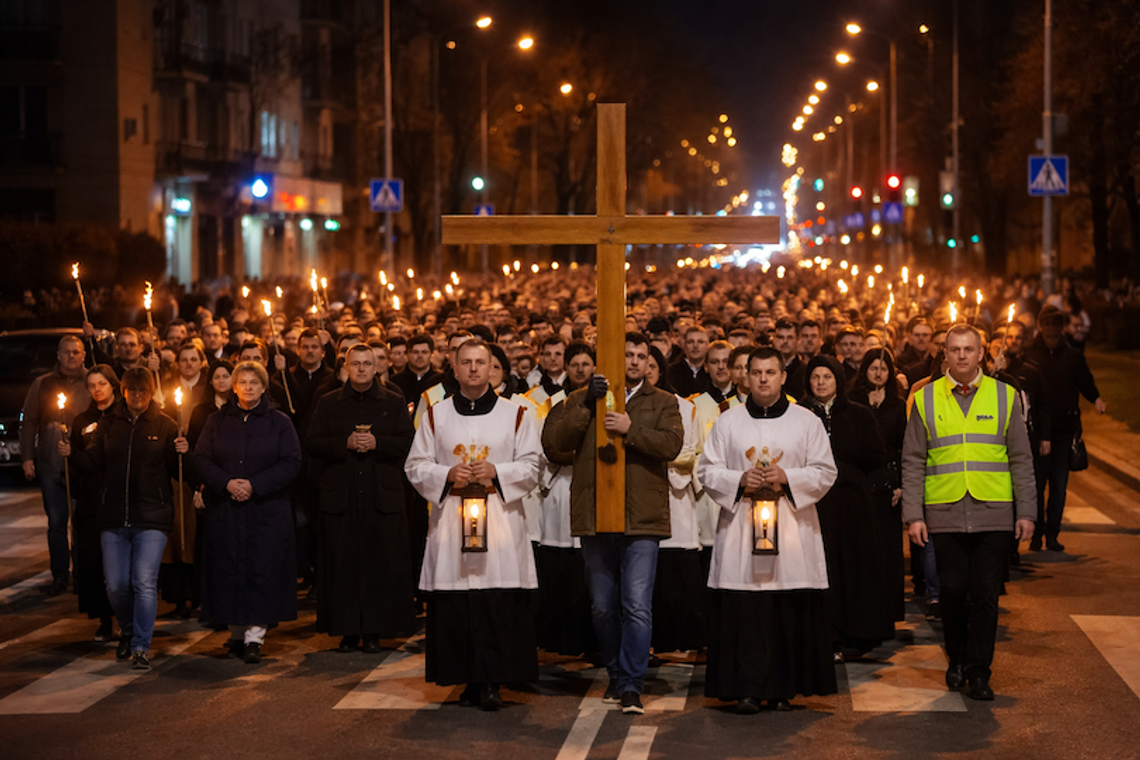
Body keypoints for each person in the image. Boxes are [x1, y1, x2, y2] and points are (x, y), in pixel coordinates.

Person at [542, 331, 684, 715]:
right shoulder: (580, 397)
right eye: (628, 355)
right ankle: (618, 673)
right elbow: (554, 443)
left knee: (636, 605)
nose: (635, 361)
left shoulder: (664, 401)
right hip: (596, 516)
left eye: (641, 355)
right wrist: (587, 403)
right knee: (603, 606)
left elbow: (672, 445)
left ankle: (631, 684)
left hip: (642, 517)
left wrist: (630, 430)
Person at [696, 346, 839, 714]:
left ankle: (782, 690)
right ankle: (745, 688)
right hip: (742, 529)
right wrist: (739, 479)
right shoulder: (728, 422)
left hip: (792, 530)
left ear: (783, 376)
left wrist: (787, 476)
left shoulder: (806, 421)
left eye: (770, 373)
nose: (762, 379)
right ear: (745, 377)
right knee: (747, 611)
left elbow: (825, 471)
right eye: (756, 372)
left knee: (785, 609)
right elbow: (707, 471)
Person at [405, 340, 543, 711]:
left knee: (495, 601)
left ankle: (493, 681)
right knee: (458, 601)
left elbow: (533, 466)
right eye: (465, 362)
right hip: (451, 521)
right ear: (454, 368)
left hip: (499, 520)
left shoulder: (516, 414)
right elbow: (415, 466)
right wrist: (445, 474)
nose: (473, 369)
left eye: (480, 362)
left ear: (492, 367)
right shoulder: (436, 415)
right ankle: (465, 679)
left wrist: (499, 471)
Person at [903, 324, 1037, 700]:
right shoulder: (926, 398)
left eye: (968, 349)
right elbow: (912, 459)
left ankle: (979, 671)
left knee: (985, 595)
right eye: (954, 349)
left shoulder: (1005, 396)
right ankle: (957, 658)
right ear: (944, 354)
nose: (961, 356)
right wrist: (914, 515)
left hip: (993, 512)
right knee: (952, 591)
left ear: (982, 355)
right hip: (944, 512)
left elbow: (1021, 459)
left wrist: (1026, 512)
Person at [60, 368, 187, 669]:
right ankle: (128, 630)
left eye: (144, 390)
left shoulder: (166, 425)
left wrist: (184, 453)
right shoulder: (107, 424)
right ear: (124, 391)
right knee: (116, 585)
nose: (138, 395)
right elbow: (92, 461)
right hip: (114, 515)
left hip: (152, 516)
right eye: (133, 390)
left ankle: (141, 645)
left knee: (143, 582)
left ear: (152, 390)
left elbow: (179, 472)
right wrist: (71, 454)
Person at [306, 345, 415, 653]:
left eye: (368, 363)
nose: (363, 369)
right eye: (357, 364)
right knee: (343, 564)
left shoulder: (393, 402)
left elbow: (408, 441)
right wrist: (346, 443)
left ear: (377, 367)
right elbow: (313, 441)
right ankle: (347, 629)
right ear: (346, 366)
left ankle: (375, 631)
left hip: (381, 496)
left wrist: (378, 443)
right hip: (342, 496)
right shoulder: (329, 403)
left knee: (379, 564)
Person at [192, 361, 302, 664]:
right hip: (226, 510)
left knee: (261, 571)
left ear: (264, 386)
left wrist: (254, 485)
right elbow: (200, 458)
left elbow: (291, 462)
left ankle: (255, 636)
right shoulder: (216, 421)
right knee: (228, 570)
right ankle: (236, 634)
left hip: (265, 510)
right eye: (243, 382)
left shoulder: (279, 422)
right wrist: (226, 483)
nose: (248, 387)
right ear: (233, 386)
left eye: (254, 382)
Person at [799, 355, 893, 659]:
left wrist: (847, 470)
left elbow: (876, 454)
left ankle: (856, 633)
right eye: (816, 377)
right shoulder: (799, 415)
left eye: (827, 377)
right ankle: (824, 634)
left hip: (851, 502)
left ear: (838, 380)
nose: (821, 382)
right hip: (813, 501)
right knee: (820, 566)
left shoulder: (859, 414)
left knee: (852, 565)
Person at [1023, 304, 1106, 551]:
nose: (1051, 329)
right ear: (1040, 326)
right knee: (1036, 485)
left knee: (1058, 485)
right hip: (1037, 432)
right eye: (1046, 324)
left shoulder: (1072, 356)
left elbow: (1085, 382)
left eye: (1055, 325)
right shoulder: (1029, 355)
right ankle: (1036, 534)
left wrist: (1097, 399)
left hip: (1062, 431)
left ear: (1061, 328)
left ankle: (1052, 534)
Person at [533, 342, 596, 657]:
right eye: (575, 364)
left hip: (593, 489)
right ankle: (561, 638)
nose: (581, 369)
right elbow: (549, 445)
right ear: (567, 368)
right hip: (560, 487)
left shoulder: (605, 401)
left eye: (587, 363)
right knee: (561, 568)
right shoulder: (553, 403)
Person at [21, 334, 92, 595]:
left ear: (84, 355)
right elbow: (29, 422)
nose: (72, 356)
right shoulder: (43, 384)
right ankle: (60, 575)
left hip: (81, 467)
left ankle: (83, 575)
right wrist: (28, 457)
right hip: (51, 465)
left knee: (82, 524)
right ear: (59, 355)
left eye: (77, 352)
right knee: (57, 522)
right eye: (67, 352)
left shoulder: (91, 382)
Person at [645, 346, 705, 655]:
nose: (647, 370)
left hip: (674, 495)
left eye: (653, 365)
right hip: (642, 499)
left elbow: (686, 451)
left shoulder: (685, 407)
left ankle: (679, 639)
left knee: (675, 570)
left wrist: (650, 456)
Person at [850, 348, 908, 622]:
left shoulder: (898, 405)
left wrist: (900, 483)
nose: (878, 373)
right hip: (862, 480)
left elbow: (902, 446)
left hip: (889, 482)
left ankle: (890, 609)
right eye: (873, 368)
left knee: (888, 549)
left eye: (883, 369)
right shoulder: (854, 401)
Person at [67, 365, 120, 641]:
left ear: (113, 385)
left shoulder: (122, 417)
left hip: (117, 497)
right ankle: (102, 619)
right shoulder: (81, 421)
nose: (97, 390)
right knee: (93, 562)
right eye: (92, 385)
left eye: (102, 384)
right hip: (90, 502)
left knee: (118, 564)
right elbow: (78, 463)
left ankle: (123, 616)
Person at [667, 326, 711, 398]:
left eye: (700, 342)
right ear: (684, 345)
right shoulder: (671, 371)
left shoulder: (712, 372)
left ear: (707, 346)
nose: (695, 346)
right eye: (690, 342)